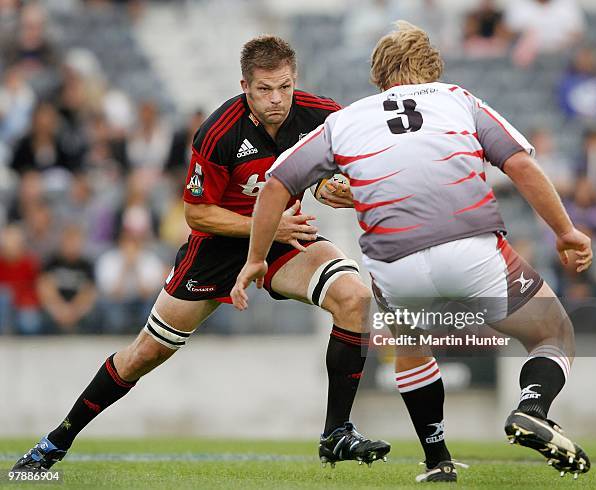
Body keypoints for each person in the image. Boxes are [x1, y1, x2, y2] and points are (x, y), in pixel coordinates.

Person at [232, 21, 593, 483]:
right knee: (552, 330)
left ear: (379, 76)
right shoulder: (458, 98)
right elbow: (520, 163)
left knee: (409, 347)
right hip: (470, 249)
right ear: (433, 68)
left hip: (394, 266)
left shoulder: (345, 120)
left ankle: (437, 461)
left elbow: (277, 184)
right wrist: (565, 232)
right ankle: (533, 407)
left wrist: (257, 259)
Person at [12, 36, 389, 472]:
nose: (277, 99)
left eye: (284, 87)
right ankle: (56, 440)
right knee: (144, 354)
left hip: (284, 242)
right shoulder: (218, 131)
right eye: (264, 89)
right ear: (244, 85)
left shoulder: (322, 114)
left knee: (354, 298)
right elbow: (197, 213)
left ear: (295, 80)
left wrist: (330, 188)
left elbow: (323, 173)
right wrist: (264, 225)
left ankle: (336, 432)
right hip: (217, 252)